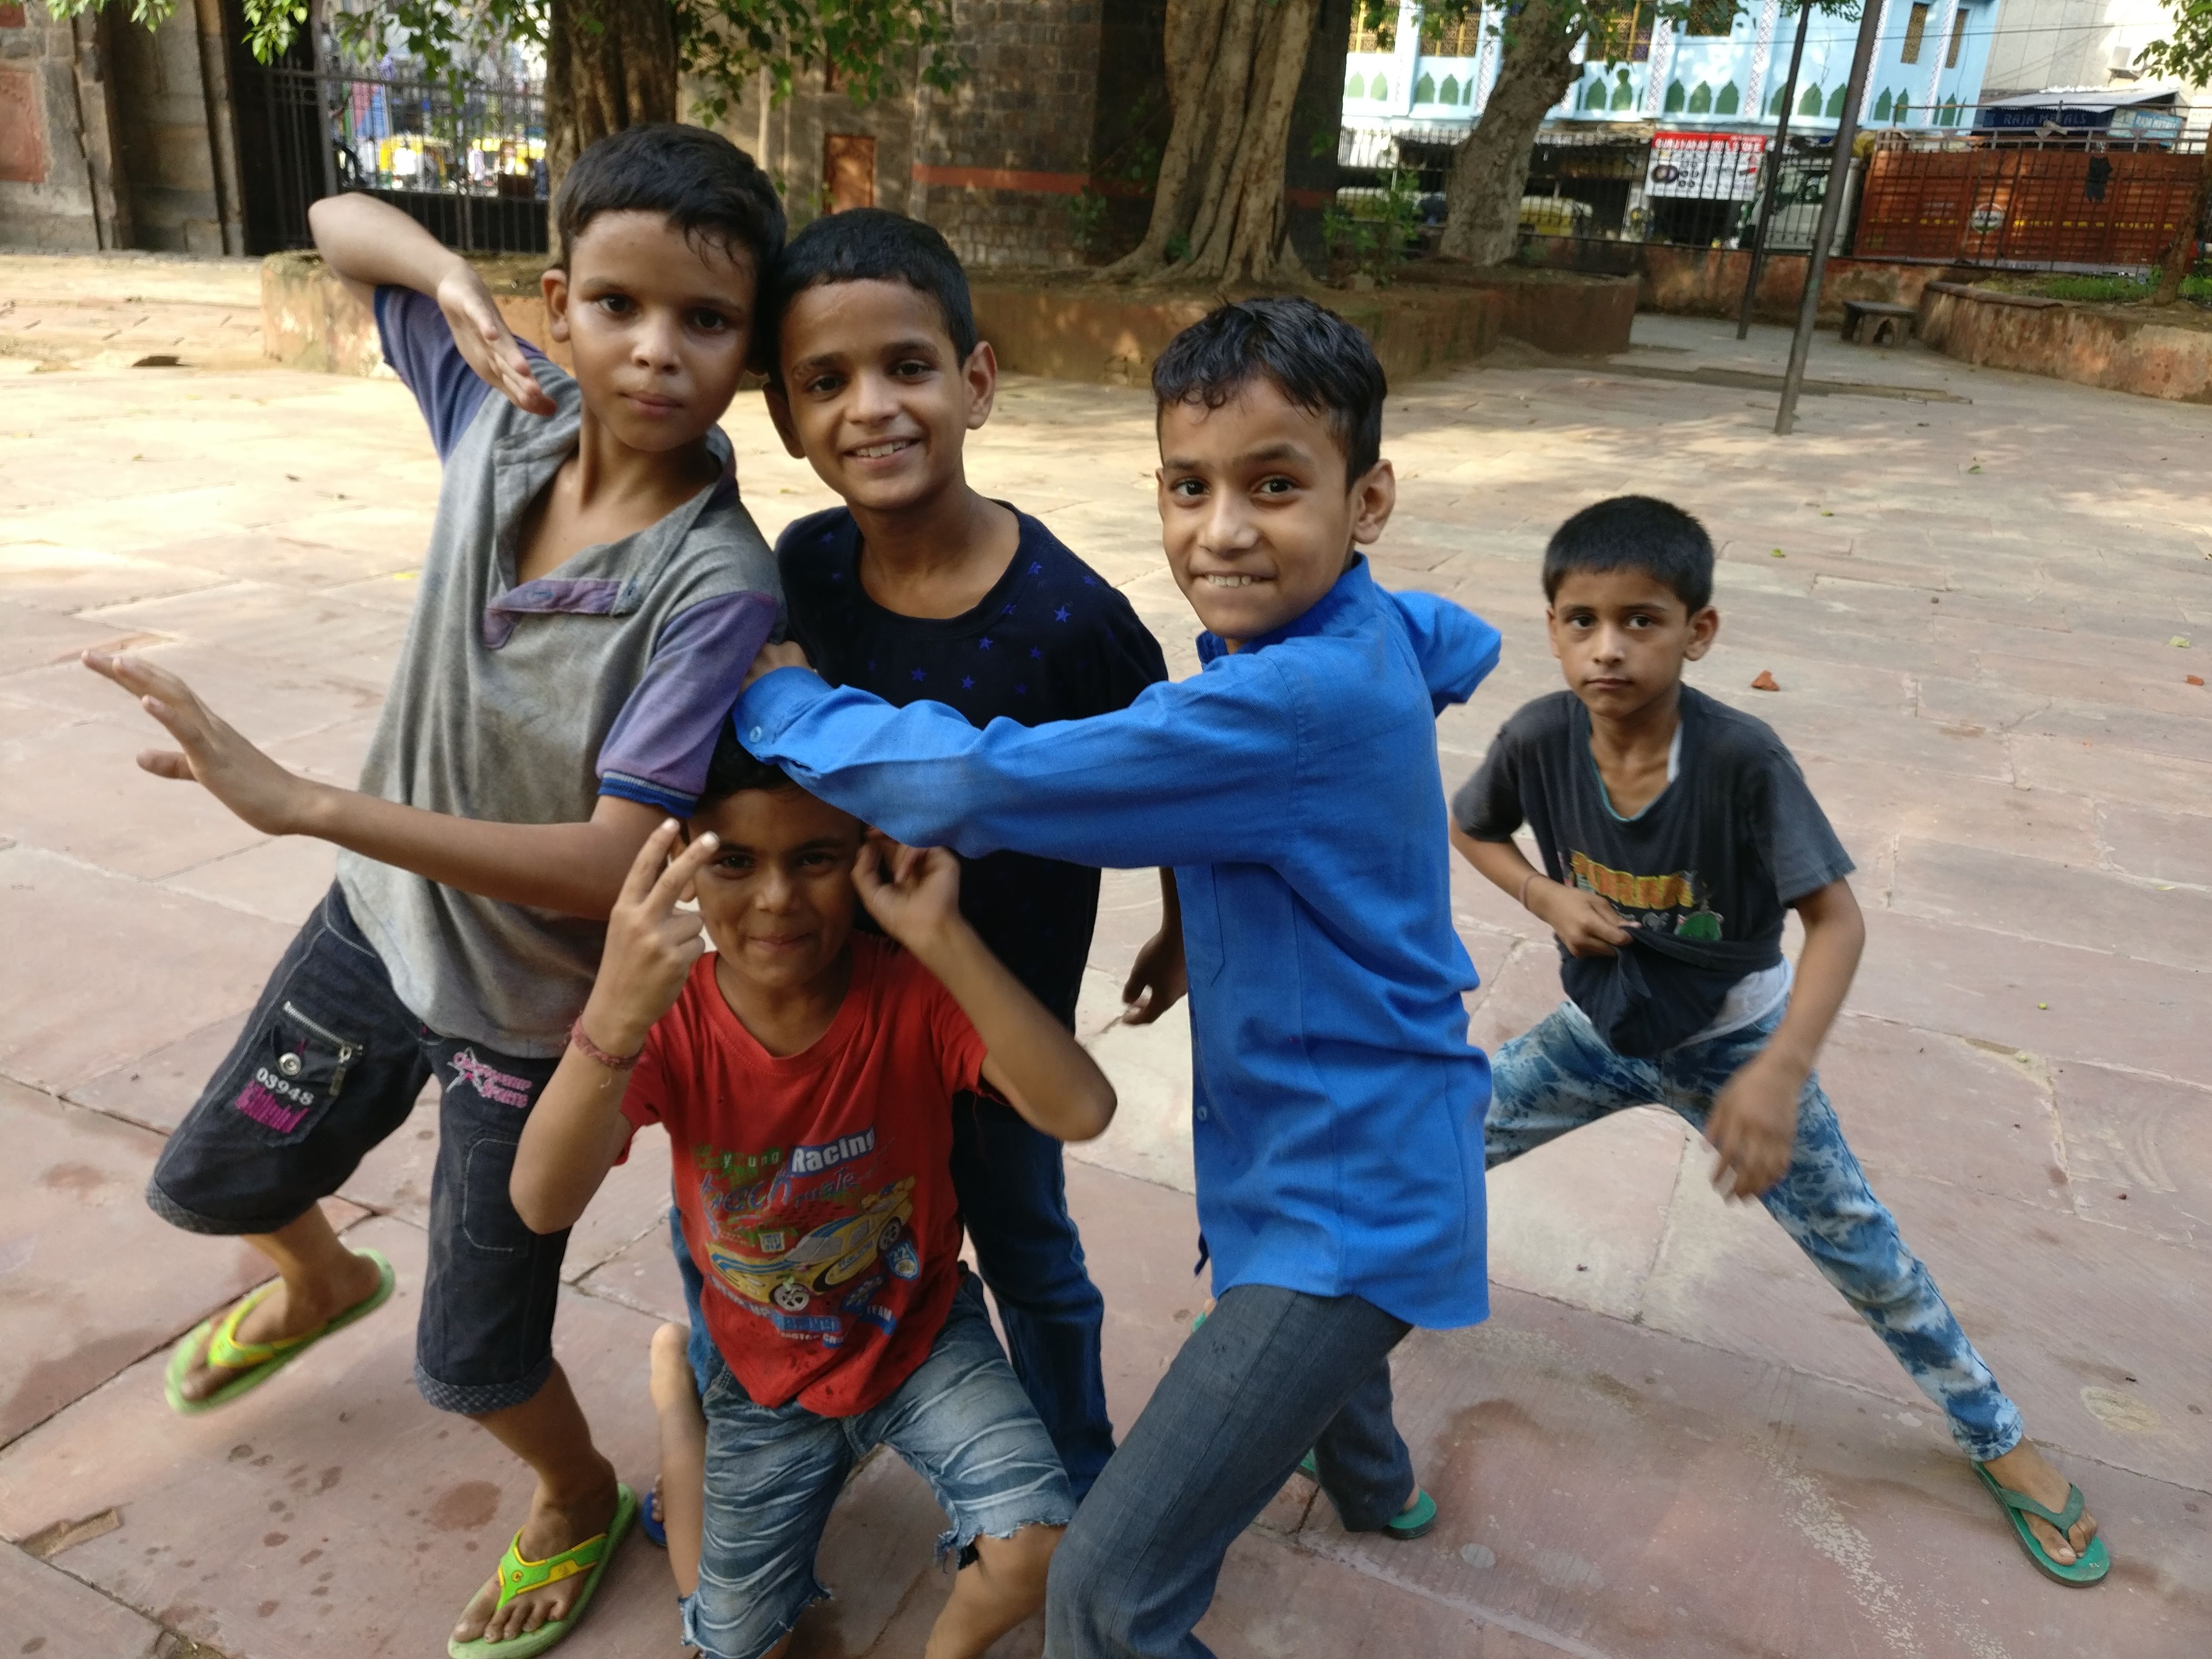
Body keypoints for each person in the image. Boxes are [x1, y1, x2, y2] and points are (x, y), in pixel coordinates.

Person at [79, 124, 789, 1655]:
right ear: (560, 300)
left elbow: (613, 864)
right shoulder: (499, 410)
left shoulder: (716, 585)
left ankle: (574, 1494)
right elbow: (335, 216)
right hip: (372, 932)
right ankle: (321, 1278)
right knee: (217, 1183)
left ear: (753, 351)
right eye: (619, 305)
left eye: (707, 322)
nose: (657, 351)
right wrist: (450, 282)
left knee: (473, 1358)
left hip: (522, 1021)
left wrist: (309, 804)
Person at [733, 296, 1503, 1658]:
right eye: (1191, 486)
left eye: (1277, 487)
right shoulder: (1370, 638)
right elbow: (1457, 640)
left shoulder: (1281, 702)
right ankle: (1382, 1490)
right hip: (1367, 1139)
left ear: (1366, 497)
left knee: (1105, 1592)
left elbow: (983, 779)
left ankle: (1325, 1487)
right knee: (1320, 1385)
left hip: (1342, 1207)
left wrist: (783, 704)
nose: (1223, 532)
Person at [1449, 494, 2108, 1588]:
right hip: (1596, 1030)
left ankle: (1999, 1437)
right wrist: (1540, 897)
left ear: (1697, 631)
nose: (1606, 647)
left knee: (1863, 1250)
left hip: (1732, 1045)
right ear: (1552, 624)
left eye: (1641, 620)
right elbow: (1470, 826)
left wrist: (1775, 1071)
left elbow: (1837, 921)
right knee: (1425, 1148)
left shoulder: (1742, 760)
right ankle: (1304, 1336)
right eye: (1579, 620)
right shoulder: (1537, 736)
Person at [509, 735, 1115, 1659]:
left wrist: (940, 936)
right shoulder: (668, 1018)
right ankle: (680, 1398)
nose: (778, 899)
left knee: (1038, 1549)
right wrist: (616, 1014)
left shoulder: (910, 992)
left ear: (866, 857)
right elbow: (542, 1204)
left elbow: (1082, 1108)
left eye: (816, 859)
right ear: (679, 869)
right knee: (729, 1647)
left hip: (919, 1334)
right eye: (735, 862)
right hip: (761, 1371)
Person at [758, 207, 1175, 1498]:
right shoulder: (810, 564)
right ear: (783, 416)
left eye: (908, 368)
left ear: (976, 383)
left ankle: (1076, 1470)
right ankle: (827, 1443)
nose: (871, 408)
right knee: (842, 1239)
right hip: (844, 1012)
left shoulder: (1072, 622)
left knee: (1028, 1247)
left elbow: (1169, 782)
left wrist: (1180, 924)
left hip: (999, 1025)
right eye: (827, 382)